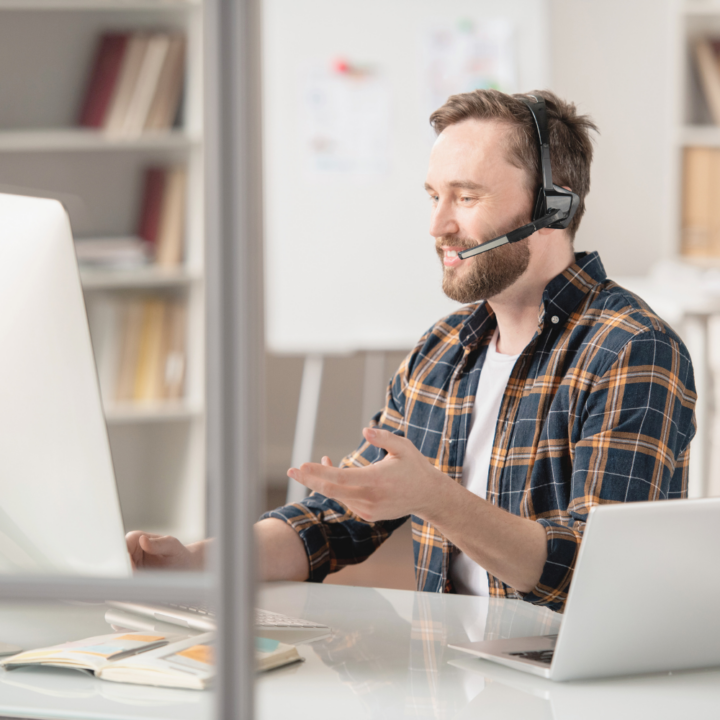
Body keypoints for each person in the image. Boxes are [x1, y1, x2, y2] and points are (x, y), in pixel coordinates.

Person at [127, 89, 696, 613]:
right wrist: (195, 562)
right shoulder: (443, 348)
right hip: (446, 677)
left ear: (555, 206)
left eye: (466, 197)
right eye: (433, 197)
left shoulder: (631, 349)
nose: (437, 225)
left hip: (563, 689)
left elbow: (593, 571)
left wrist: (435, 498)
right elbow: (335, 522)